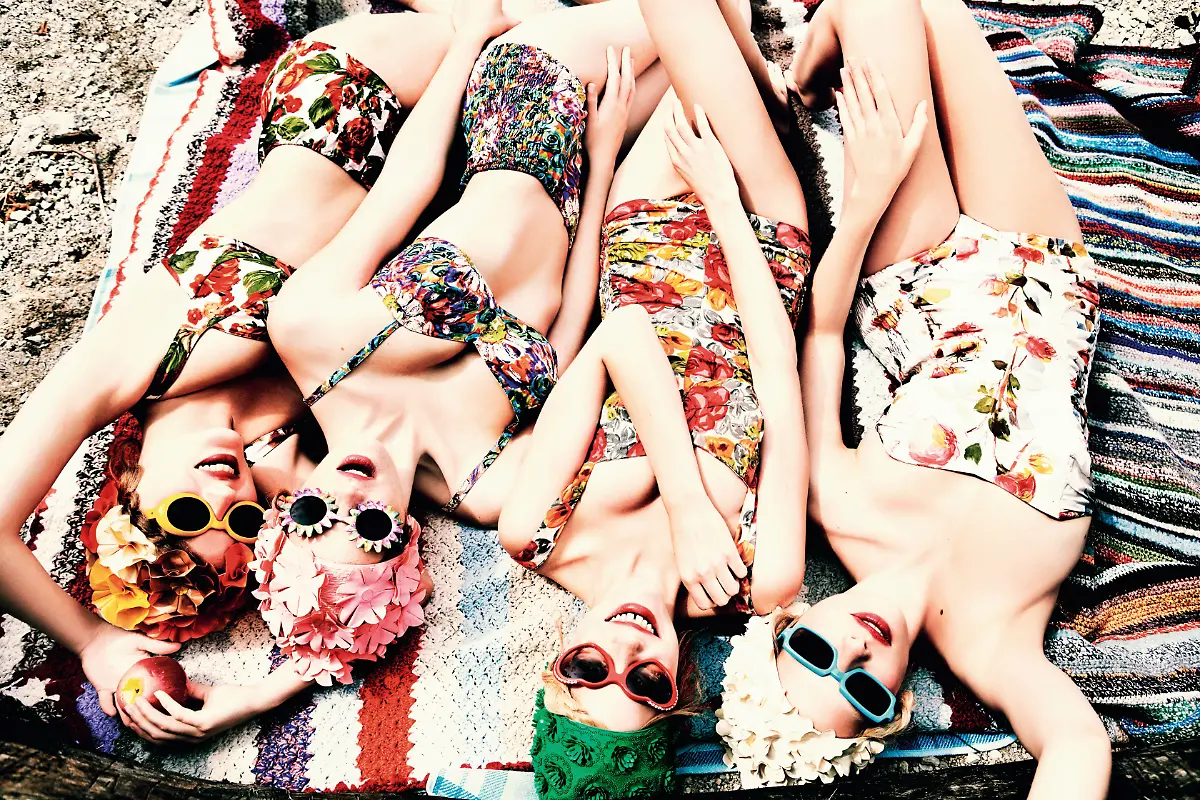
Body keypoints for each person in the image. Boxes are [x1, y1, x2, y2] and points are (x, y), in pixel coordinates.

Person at [121, 0, 652, 744]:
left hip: (527, 99)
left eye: (313, 514)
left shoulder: (311, 336)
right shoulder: (485, 484)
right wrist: (602, 165)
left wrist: (470, 42)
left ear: (287, 503)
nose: (349, 494)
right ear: (405, 542)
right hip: (597, 174)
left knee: (695, 21)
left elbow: (407, 184)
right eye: (368, 526)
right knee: (736, 78)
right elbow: (572, 321)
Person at [0, 8, 458, 723]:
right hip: (456, 182)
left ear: (127, 486)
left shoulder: (123, 368)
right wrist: (261, 693)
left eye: (185, 513)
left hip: (353, 105)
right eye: (242, 519)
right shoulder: (281, 461)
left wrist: (90, 641)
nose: (225, 493)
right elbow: (364, 591)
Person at [715, 0, 1110, 795]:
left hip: (917, 274)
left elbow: (823, 339)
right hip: (1048, 267)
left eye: (815, 653)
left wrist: (868, 200)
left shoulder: (837, 504)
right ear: (893, 709)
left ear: (790, 625)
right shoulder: (996, 644)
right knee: (939, 13)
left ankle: (811, 62)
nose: (856, 651)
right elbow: (1075, 747)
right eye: (862, 689)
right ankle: (820, 56)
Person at [496, 0, 811, 795]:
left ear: (555, 665)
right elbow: (783, 382)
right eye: (644, 685)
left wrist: (687, 504)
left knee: (686, 19)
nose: (627, 652)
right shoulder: (761, 581)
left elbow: (622, 332)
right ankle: (772, 79)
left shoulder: (536, 531)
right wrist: (727, 206)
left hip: (643, 240)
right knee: (691, 24)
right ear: (680, 694)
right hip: (761, 244)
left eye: (589, 670)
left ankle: (770, 76)